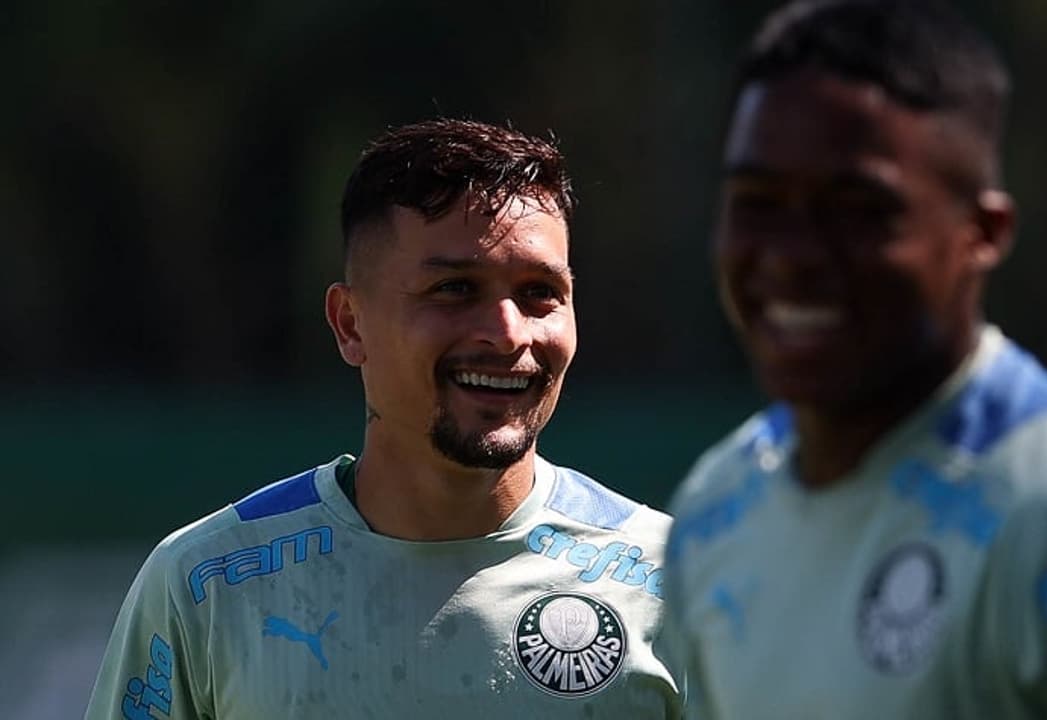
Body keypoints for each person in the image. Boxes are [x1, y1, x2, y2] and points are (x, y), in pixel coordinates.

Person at [663, 1, 1047, 718]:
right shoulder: (717, 509)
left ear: (981, 234)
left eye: (859, 210)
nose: (793, 257)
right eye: (758, 203)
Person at [85, 118, 681, 718]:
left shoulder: (678, 585)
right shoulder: (206, 585)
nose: (506, 334)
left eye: (539, 293)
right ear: (350, 324)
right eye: (454, 289)